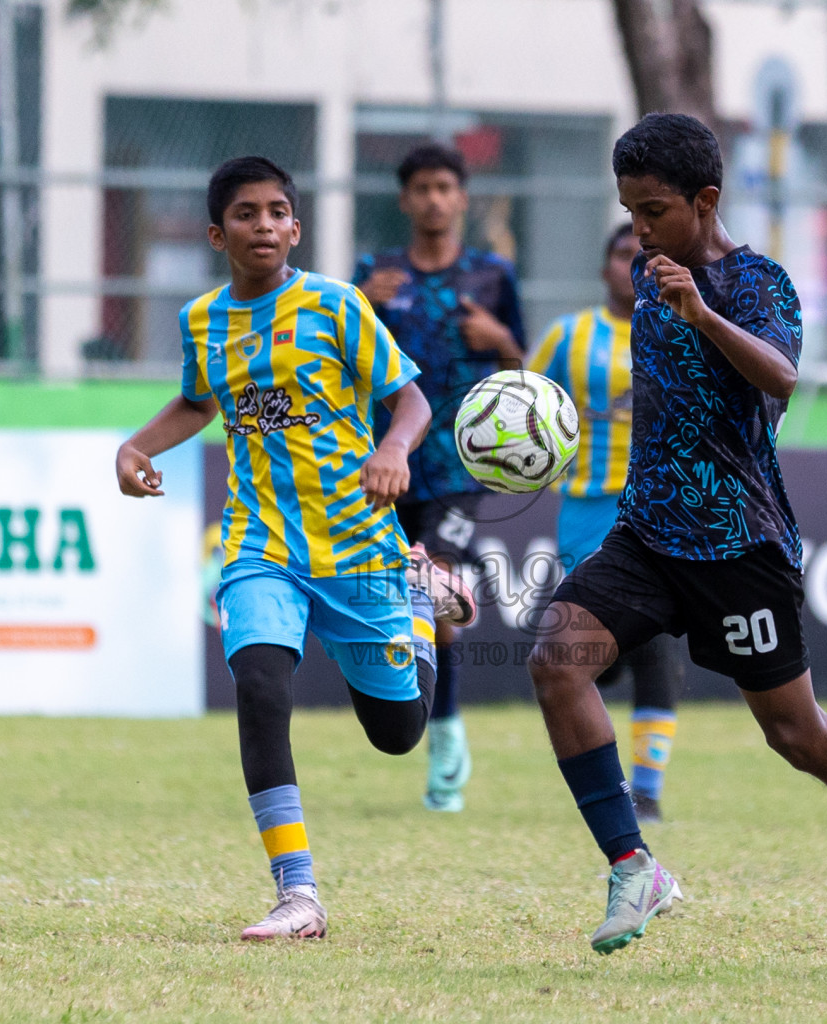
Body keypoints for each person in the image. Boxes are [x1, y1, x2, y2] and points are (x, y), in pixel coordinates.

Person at [528, 114, 827, 955]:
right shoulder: (643, 270)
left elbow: (782, 376)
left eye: (655, 210)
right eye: (630, 211)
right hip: (648, 533)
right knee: (556, 659)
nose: (640, 229)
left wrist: (702, 313)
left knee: (794, 733)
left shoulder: (755, 281)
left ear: (706, 200)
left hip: (740, 543)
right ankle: (635, 867)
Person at [114, 156, 474, 941]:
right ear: (217, 233)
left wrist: (396, 450)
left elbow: (409, 399)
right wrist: (136, 447)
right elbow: (197, 400)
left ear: (297, 227)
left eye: (278, 211)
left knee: (397, 734)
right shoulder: (201, 320)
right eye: (247, 213)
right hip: (260, 546)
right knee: (260, 686)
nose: (265, 225)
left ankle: (418, 591)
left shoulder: (337, 307)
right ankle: (298, 894)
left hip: (358, 544)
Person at [353, 143, 527, 813]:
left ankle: (445, 736)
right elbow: (340, 354)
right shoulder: (374, 275)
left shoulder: (491, 276)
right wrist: (361, 304)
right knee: (403, 597)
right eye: (420, 188)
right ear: (405, 200)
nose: (432, 199)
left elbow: (523, 362)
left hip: (459, 461)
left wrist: (500, 340)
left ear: (462, 198)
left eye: (444, 187)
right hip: (387, 461)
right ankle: (430, 723)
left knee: (438, 583)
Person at [527, 223, 685, 824]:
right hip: (589, 508)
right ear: (604, 269)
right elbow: (524, 399)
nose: (633, 265)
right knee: (592, 649)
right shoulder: (570, 335)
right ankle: (610, 776)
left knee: (657, 646)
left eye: (644, 256)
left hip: (660, 507)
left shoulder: (681, 329)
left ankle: (645, 791)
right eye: (623, 253)